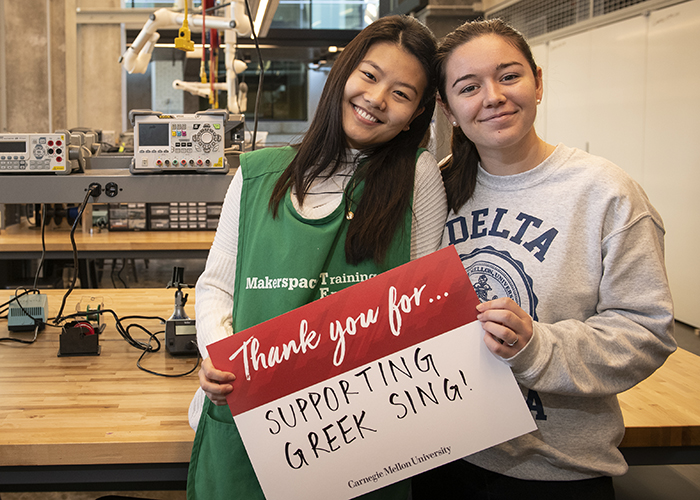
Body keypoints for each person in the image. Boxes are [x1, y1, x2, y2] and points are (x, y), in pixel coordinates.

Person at [411, 18, 676, 500]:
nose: (492, 96)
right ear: (448, 109)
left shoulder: (604, 193)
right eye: (469, 87)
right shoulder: (432, 190)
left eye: (509, 76)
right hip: (442, 457)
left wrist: (536, 347)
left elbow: (647, 332)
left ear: (538, 83)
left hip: (555, 471)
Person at [186, 15, 447, 500]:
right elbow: (218, 285)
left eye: (402, 93)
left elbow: (421, 304)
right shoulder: (259, 174)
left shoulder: (417, 176)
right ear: (343, 73)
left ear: (415, 115)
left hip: (358, 423)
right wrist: (216, 354)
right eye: (369, 76)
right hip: (253, 408)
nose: (376, 99)